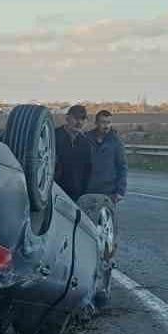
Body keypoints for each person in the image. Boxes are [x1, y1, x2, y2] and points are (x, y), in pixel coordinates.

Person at [84, 110, 127, 259]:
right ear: (96, 123)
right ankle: (89, 256)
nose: (106, 126)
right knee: (88, 226)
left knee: (108, 228)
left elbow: (122, 166)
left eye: (109, 122)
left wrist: (121, 191)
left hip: (109, 191)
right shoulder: (86, 138)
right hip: (88, 190)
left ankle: (107, 259)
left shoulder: (115, 141)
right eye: (103, 122)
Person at [54, 104, 93, 201]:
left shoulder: (86, 144)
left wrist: (83, 194)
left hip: (76, 196)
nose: (79, 122)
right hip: (53, 192)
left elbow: (87, 171)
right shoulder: (53, 137)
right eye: (76, 118)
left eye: (83, 119)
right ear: (67, 118)